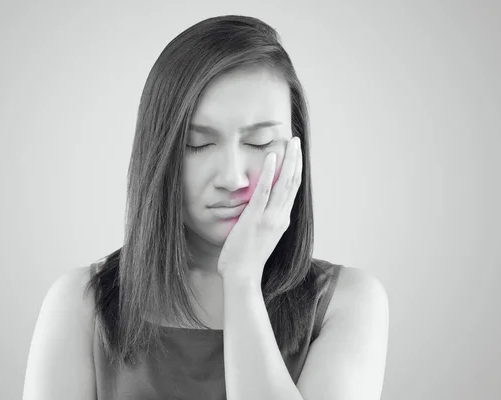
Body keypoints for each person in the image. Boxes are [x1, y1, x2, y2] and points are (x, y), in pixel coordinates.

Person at [23, 15, 389, 400]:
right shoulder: (82, 306)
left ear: (295, 151)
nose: (233, 178)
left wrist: (243, 278)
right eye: (197, 144)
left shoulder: (348, 302)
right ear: (158, 154)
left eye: (261, 142)